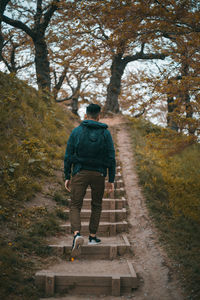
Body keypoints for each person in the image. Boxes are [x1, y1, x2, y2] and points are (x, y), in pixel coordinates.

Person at [64, 103, 116, 257]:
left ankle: (77, 234)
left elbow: (68, 156)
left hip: (79, 173)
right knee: (97, 205)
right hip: (99, 174)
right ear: (99, 116)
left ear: (86, 115)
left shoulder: (77, 131)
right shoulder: (105, 134)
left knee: (75, 205)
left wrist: (67, 176)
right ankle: (92, 236)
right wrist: (111, 179)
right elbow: (111, 158)